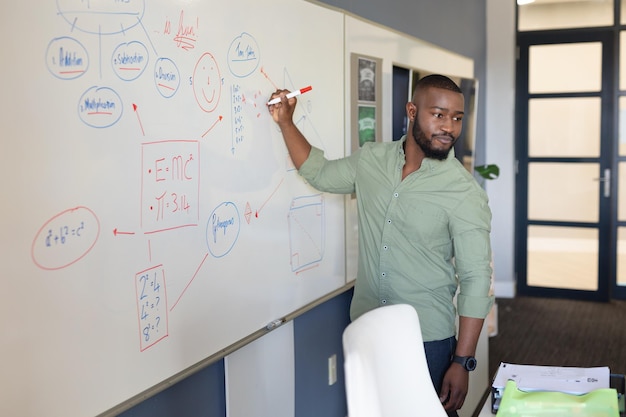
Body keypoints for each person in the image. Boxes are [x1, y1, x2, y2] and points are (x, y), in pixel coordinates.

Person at [268, 74, 494, 416]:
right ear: (412, 111)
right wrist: (286, 122)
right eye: (438, 114)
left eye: (457, 118)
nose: (449, 127)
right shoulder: (371, 160)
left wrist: (462, 361)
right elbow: (319, 172)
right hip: (367, 327)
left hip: (426, 340)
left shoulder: (464, 193)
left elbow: (476, 279)